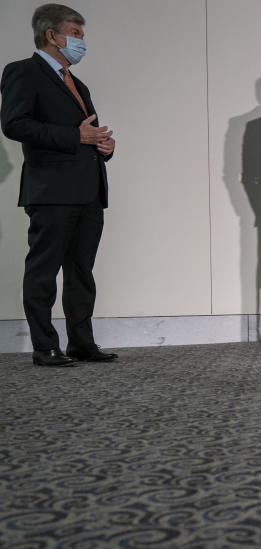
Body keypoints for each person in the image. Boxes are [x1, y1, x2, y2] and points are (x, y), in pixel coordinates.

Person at [1, 4, 117, 367]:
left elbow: (85, 134)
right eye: (76, 33)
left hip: (88, 191)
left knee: (82, 271)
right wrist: (74, 135)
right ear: (52, 35)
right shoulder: (23, 72)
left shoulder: (77, 83)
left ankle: (81, 342)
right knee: (43, 270)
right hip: (51, 191)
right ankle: (44, 346)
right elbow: (15, 124)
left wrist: (103, 146)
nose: (82, 41)